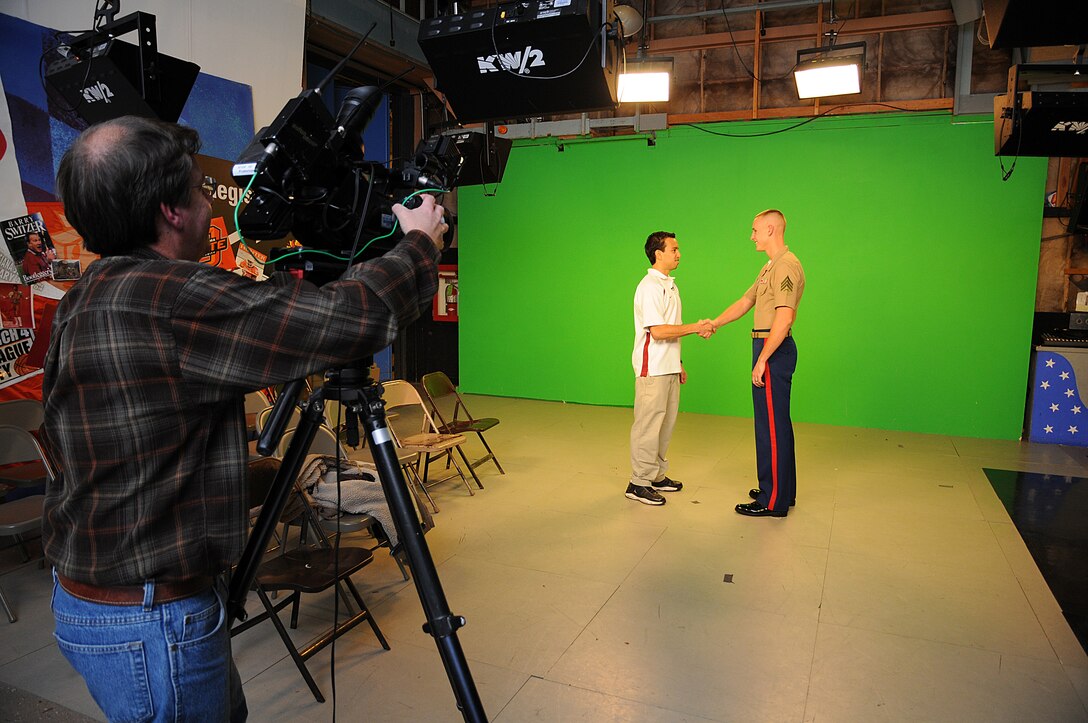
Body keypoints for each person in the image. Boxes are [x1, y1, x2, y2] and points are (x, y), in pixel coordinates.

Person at [40, 115, 447, 722]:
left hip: (98, 601)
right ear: (169, 211)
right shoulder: (172, 298)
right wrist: (419, 242)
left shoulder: (88, 295)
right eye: (199, 192)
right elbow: (346, 320)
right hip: (153, 619)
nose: (211, 206)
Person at [711, 209, 805, 517]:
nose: (751, 236)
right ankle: (781, 489)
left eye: (754, 230)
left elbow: (785, 316)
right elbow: (745, 302)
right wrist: (714, 323)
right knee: (774, 424)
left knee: (771, 428)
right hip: (765, 345)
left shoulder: (786, 266)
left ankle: (772, 500)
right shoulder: (770, 267)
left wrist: (763, 359)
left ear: (770, 229)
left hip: (772, 348)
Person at [627, 231, 714, 506]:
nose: (679, 254)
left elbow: (671, 330)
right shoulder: (649, 287)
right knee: (648, 426)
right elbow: (660, 331)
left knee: (665, 425)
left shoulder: (671, 285)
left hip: (669, 367)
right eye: (674, 249)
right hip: (652, 368)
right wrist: (697, 327)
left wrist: (679, 363)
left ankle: (656, 476)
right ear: (658, 254)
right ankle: (638, 482)